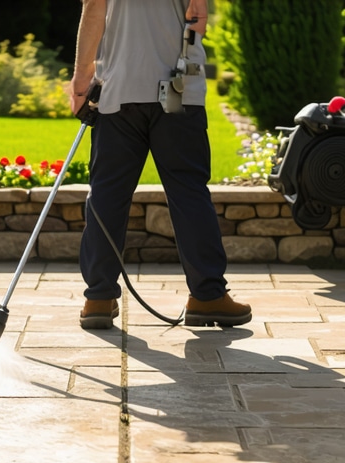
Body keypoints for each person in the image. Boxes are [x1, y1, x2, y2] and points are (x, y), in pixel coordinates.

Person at [69, 0, 252, 329]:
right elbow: (199, 21)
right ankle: (208, 297)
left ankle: (98, 297)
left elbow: (94, 8)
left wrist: (81, 82)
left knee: (108, 193)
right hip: (178, 87)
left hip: (119, 89)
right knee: (188, 191)